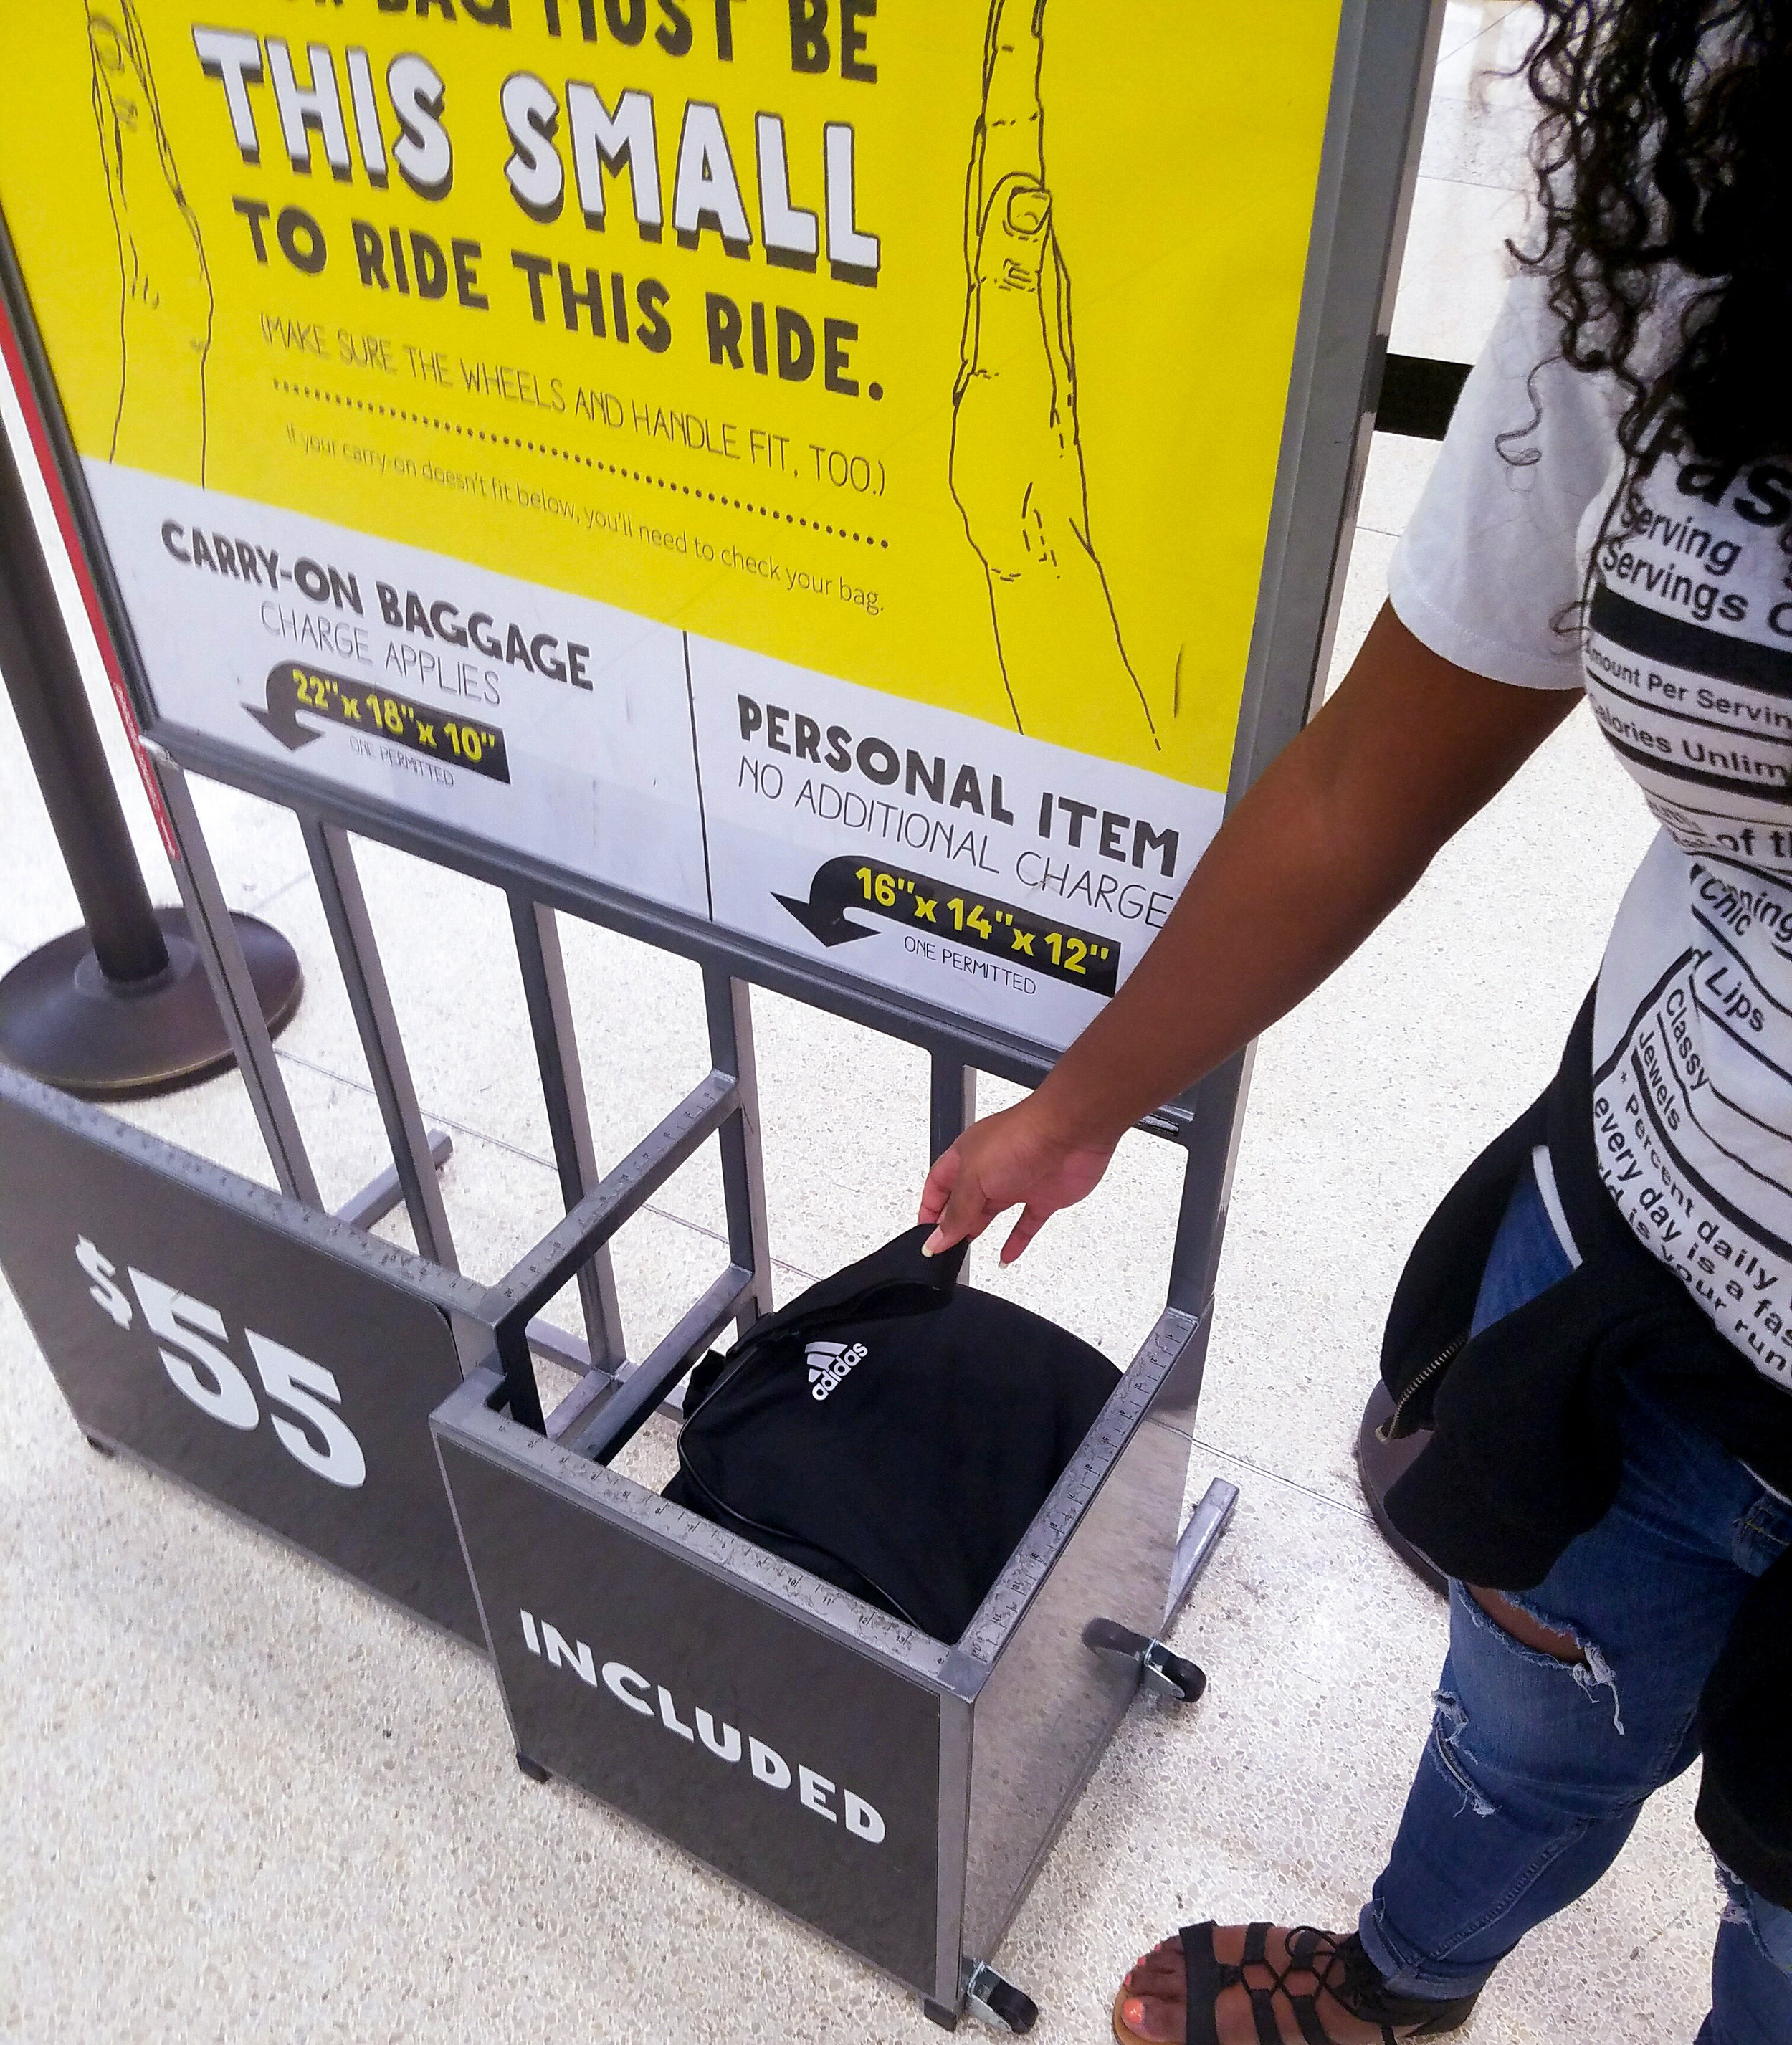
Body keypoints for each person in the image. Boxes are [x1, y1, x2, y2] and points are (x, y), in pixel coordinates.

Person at [916, 4, 1792, 2040]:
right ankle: (1402, 1987)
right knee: (1523, 1720)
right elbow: (1361, 781)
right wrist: (1083, 1101)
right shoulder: (1703, 141)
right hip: (1651, 1272)